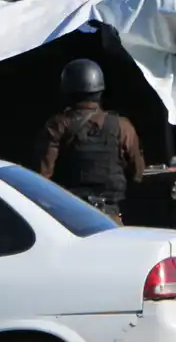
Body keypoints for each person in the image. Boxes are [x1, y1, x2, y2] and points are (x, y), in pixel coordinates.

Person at [34, 58, 145, 221]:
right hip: (110, 217)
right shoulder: (122, 126)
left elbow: (41, 178)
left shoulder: (58, 126)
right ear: (100, 91)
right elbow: (138, 173)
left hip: (71, 219)